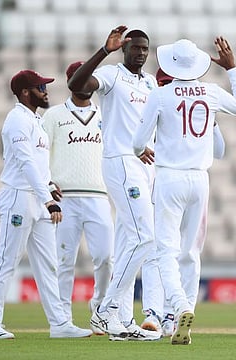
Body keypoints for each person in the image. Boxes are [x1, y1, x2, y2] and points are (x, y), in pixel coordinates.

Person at [133, 37, 236, 345]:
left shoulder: (159, 95)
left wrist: (141, 149)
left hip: (169, 178)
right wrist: (233, 69)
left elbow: (136, 142)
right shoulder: (210, 92)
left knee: (164, 251)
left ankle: (178, 305)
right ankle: (182, 316)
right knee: (191, 251)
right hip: (200, 180)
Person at [0, 70, 93, 339]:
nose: (46, 91)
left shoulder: (36, 121)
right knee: (7, 260)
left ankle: (60, 324)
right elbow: (25, 162)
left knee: (48, 264)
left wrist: (50, 185)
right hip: (19, 197)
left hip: (39, 198)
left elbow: (39, 164)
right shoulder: (17, 120)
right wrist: (47, 199)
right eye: (41, 87)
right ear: (25, 93)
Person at [68, 26, 162, 341]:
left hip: (144, 165)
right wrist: (103, 51)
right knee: (145, 238)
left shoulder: (150, 82)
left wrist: (145, 144)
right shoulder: (111, 75)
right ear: (125, 49)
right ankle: (105, 311)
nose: (141, 53)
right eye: (135, 48)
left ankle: (122, 319)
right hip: (120, 163)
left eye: (145, 48)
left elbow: (148, 123)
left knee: (127, 244)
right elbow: (76, 83)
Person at [42, 61, 115, 336]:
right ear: (71, 81)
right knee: (64, 260)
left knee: (106, 258)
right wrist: (48, 186)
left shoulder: (106, 115)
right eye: (78, 79)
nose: (85, 85)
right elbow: (41, 155)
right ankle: (61, 320)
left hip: (98, 195)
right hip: (66, 198)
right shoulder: (54, 116)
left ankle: (100, 310)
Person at [153, 68, 226, 337]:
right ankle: (165, 315)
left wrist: (211, 121)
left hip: (172, 187)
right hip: (168, 185)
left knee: (179, 253)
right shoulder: (159, 104)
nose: (163, 88)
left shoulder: (174, 105)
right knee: (170, 254)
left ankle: (175, 314)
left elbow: (219, 150)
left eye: (166, 83)